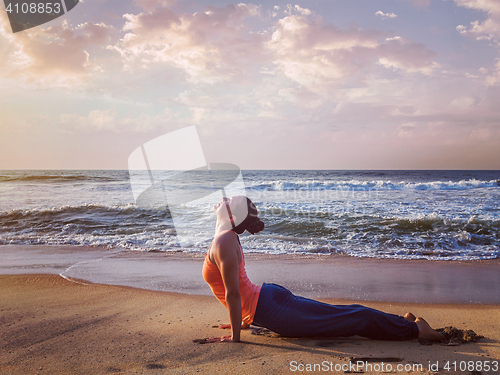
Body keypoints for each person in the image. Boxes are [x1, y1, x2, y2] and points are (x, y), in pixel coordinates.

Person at [202, 196, 445, 343]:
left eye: (228, 200)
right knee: (343, 314)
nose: (223, 199)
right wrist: (243, 320)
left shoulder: (224, 240)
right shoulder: (224, 236)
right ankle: (401, 322)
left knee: (349, 319)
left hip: (270, 307)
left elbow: (234, 293)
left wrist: (235, 336)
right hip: (266, 303)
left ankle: (414, 329)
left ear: (232, 217)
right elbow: (234, 289)